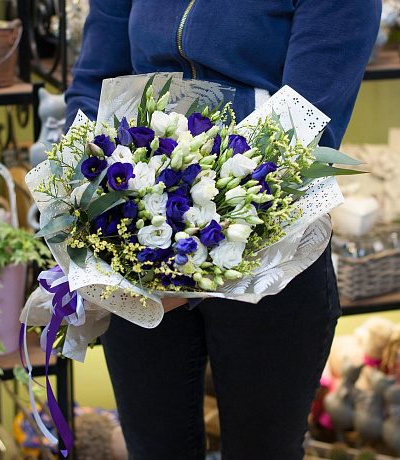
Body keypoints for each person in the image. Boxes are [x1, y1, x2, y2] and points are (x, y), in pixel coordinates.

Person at [65, 2, 381, 458]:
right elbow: (92, 85)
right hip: (139, 238)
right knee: (153, 450)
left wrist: (193, 230)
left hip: (272, 251)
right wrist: (88, 191)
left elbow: (306, 123)